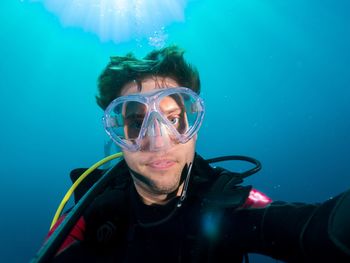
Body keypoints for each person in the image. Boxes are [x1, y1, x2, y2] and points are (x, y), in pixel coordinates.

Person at [40, 45, 350, 263]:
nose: (158, 140)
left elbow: (318, 230)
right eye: (137, 123)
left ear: (194, 127)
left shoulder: (228, 202)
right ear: (118, 136)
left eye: (173, 119)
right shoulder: (89, 213)